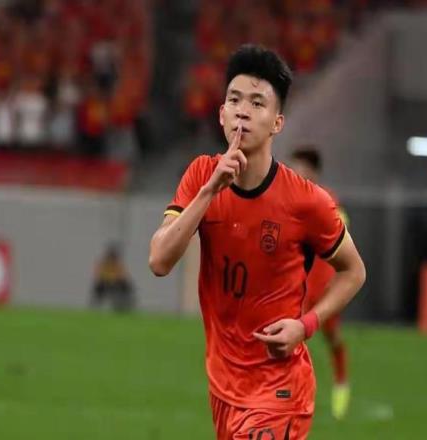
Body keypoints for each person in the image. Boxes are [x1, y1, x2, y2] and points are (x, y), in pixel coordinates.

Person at [149, 44, 365, 439]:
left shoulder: (306, 201)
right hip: (224, 387)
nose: (243, 111)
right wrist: (209, 192)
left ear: (277, 123)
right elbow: (159, 261)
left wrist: (305, 326)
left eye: (257, 103)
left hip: (280, 389)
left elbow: (354, 271)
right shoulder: (200, 176)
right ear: (221, 114)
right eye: (234, 100)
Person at [290, 146, 351, 420]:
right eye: (294, 167)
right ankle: (290, 395)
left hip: (324, 288)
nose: (295, 173)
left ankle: (341, 382)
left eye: (301, 168)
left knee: (332, 338)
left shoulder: (327, 202)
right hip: (295, 287)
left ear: (313, 172)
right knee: (288, 341)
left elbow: (341, 242)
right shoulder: (287, 198)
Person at [92, 243, 135, 312]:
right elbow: (98, 274)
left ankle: (125, 304)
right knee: (98, 287)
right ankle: (95, 306)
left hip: (115, 283)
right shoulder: (104, 263)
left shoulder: (117, 264)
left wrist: (116, 279)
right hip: (105, 282)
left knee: (125, 286)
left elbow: (123, 275)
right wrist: (108, 279)